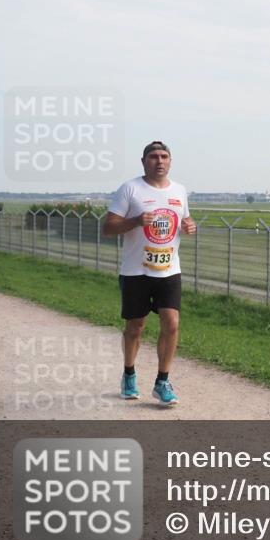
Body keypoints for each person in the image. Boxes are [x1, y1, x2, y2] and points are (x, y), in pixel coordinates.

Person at [102, 141, 196, 406]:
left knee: (172, 323)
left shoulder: (179, 191)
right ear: (143, 161)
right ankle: (129, 374)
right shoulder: (130, 189)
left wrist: (189, 226)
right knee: (135, 327)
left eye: (164, 156)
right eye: (153, 156)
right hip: (135, 271)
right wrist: (135, 221)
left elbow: (181, 222)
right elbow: (108, 228)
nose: (159, 161)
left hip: (169, 269)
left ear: (170, 161)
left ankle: (162, 382)